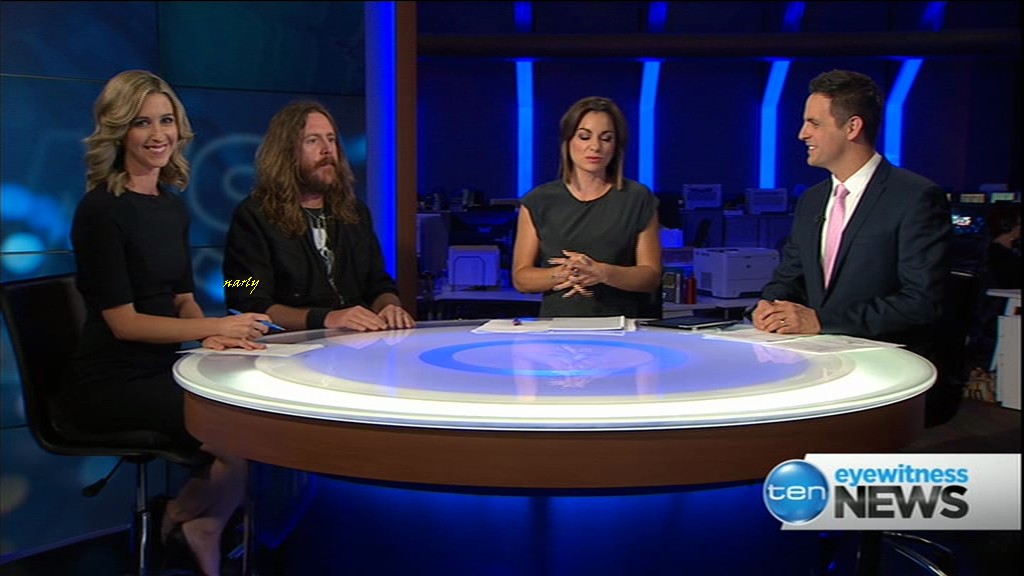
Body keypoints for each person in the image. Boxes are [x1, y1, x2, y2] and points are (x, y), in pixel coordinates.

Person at [67, 70, 272, 575]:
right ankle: (179, 516)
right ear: (119, 131)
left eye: (166, 121)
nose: (158, 134)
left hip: (165, 364)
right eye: (142, 122)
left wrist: (211, 340)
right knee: (241, 438)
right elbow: (124, 324)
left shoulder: (171, 207)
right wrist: (211, 329)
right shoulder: (100, 211)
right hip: (112, 379)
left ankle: (201, 524)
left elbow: (181, 298)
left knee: (257, 423)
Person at [223, 100, 415, 331]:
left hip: (357, 342)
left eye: (331, 139)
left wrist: (389, 306)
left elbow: (379, 283)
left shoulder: (354, 212)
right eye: (313, 140)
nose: (327, 149)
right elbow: (244, 298)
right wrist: (325, 318)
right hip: (290, 346)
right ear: (286, 152)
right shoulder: (252, 216)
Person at [511, 96, 662, 317]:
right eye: (584, 136)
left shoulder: (638, 198)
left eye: (606, 138)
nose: (595, 147)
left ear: (616, 146)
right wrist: (567, 273)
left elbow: (651, 277)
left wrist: (601, 272)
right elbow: (521, 279)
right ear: (568, 141)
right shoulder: (538, 201)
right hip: (556, 328)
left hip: (621, 327)